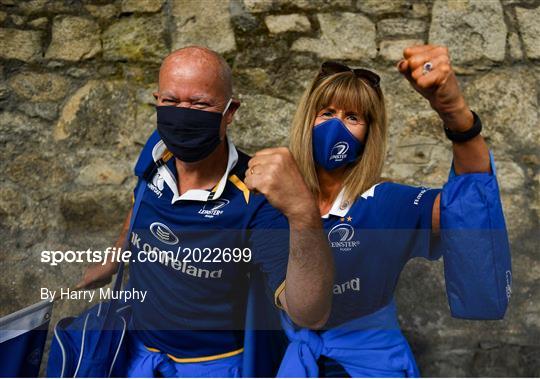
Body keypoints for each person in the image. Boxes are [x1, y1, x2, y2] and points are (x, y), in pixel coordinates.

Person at [245, 44, 511, 377]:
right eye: (327, 113)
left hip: (373, 366)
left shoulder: (385, 202)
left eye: (352, 117)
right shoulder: (271, 203)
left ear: (368, 134)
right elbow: (304, 312)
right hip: (300, 364)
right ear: (307, 120)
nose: (337, 126)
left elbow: (470, 206)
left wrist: (454, 111)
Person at [76, 46, 334, 377]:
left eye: (199, 104)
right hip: (137, 354)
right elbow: (138, 203)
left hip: (213, 365)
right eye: (170, 102)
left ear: (230, 111)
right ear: (157, 100)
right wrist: (113, 260)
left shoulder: (255, 197)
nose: (182, 115)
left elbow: (309, 314)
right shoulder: (157, 150)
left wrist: (304, 214)